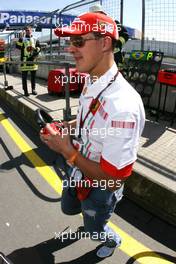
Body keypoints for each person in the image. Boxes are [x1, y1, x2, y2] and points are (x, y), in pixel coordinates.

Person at [40, 12, 145, 258]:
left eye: (78, 42)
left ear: (105, 42)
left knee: (94, 227)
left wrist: (67, 150)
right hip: (79, 170)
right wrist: (69, 126)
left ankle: (110, 239)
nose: (70, 49)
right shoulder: (93, 78)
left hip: (98, 186)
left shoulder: (123, 107)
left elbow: (111, 182)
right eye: (70, 42)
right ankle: (90, 221)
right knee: (69, 207)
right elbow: (92, 117)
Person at [16, 26, 41, 96]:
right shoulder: (22, 39)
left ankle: (33, 89)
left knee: (33, 77)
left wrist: (35, 49)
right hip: (25, 61)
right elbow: (18, 47)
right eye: (26, 30)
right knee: (24, 77)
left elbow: (39, 48)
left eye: (29, 30)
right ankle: (25, 91)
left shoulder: (35, 39)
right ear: (25, 31)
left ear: (31, 31)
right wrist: (20, 38)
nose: (28, 31)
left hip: (33, 60)